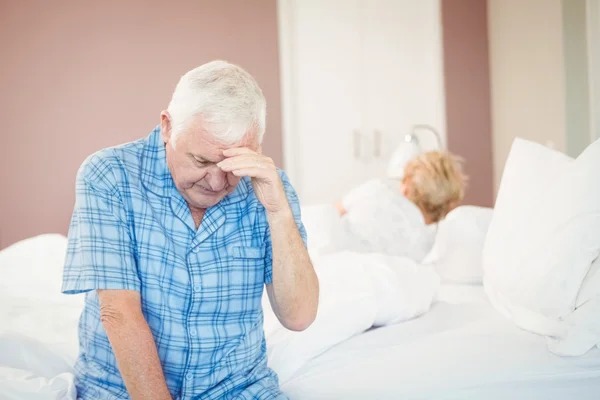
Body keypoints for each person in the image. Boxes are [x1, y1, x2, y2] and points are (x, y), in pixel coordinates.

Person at [61, 60, 319, 400]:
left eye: (231, 165)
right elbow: (119, 313)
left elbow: (299, 316)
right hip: (120, 391)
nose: (216, 182)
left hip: (237, 388)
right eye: (201, 161)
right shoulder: (110, 174)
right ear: (168, 127)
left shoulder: (271, 188)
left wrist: (278, 210)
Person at [333, 150, 467, 262]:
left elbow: (333, 213)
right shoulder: (428, 246)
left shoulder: (375, 190)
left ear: (407, 185)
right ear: (447, 204)